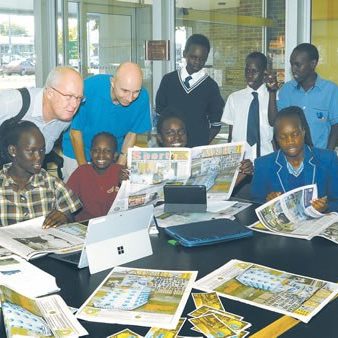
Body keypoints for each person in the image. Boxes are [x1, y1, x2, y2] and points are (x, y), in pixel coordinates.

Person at [62, 62, 152, 181]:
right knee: (79, 191)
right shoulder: (88, 88)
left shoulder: (142, 97)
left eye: (136, 91)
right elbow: (75, 133)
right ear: (113, 83)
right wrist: (84, 170)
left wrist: (118, 167)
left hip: (111, 154)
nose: (130, 98)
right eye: (125, 91)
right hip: (77, 150)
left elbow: (132, 134)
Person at [251, 106, 338, 212]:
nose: (290, 141)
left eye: (295, 134)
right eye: (283, 137)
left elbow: (336, 200)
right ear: (276, 139)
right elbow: (256, 203)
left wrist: (325, 207)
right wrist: (268, 202)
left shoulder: (328, 159)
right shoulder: (263, 164)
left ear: (303, 132)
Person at [0, 120, 82, 227]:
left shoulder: (53, 184)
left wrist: (64, 218)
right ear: (13, 150)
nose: (39, 157)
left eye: (42, 150)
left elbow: (71, 222)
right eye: (31, 151)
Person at [156, 34, 224, 147]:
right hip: (171, 148)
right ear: (184, 54)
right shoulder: (168, 80)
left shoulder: (211, 86)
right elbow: (160, 115)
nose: (197, 62)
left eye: (202, 59)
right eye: (193, 57)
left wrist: (202, 144)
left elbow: (216, 124)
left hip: (197, 150)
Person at [156, 107, 253, 188]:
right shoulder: (156, 164)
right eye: (170, 133)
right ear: (160, 138)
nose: (177, 137)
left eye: (181, 132)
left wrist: (243, 172)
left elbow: (214, 191)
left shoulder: (199, 159)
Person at [266, 43, 338, 150]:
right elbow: (274, 121)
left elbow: (335, 127)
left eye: (298, 65)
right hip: (290, 158)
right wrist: (272, 93)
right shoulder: (286, 90)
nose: (293, 69)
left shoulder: (330, 90)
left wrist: (328, 156)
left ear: (313, 64)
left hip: (319, 157)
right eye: (291, 64)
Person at [0, 66, 83, 155]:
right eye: (69, 96)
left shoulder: (65, 118)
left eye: (79, 98)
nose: (74, 104)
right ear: (50, 93)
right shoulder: (11, 102)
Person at [222, 52, 273, 160]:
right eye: (247, 70)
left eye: (254, 71)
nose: (249, 75)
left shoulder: (273, 97)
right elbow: (231, 135)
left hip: (266, 157)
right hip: (241, 160)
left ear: (265, 72)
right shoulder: (234, 98)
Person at [67, 132, 123, 221]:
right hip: (85, 224)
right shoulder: (81, 172)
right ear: (90, 153)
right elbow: (66, 202)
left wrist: (125, 184)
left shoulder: (121, 173)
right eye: (96, 150)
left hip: (114, 223)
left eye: (107, 151)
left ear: (115, 155)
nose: (101, 155)